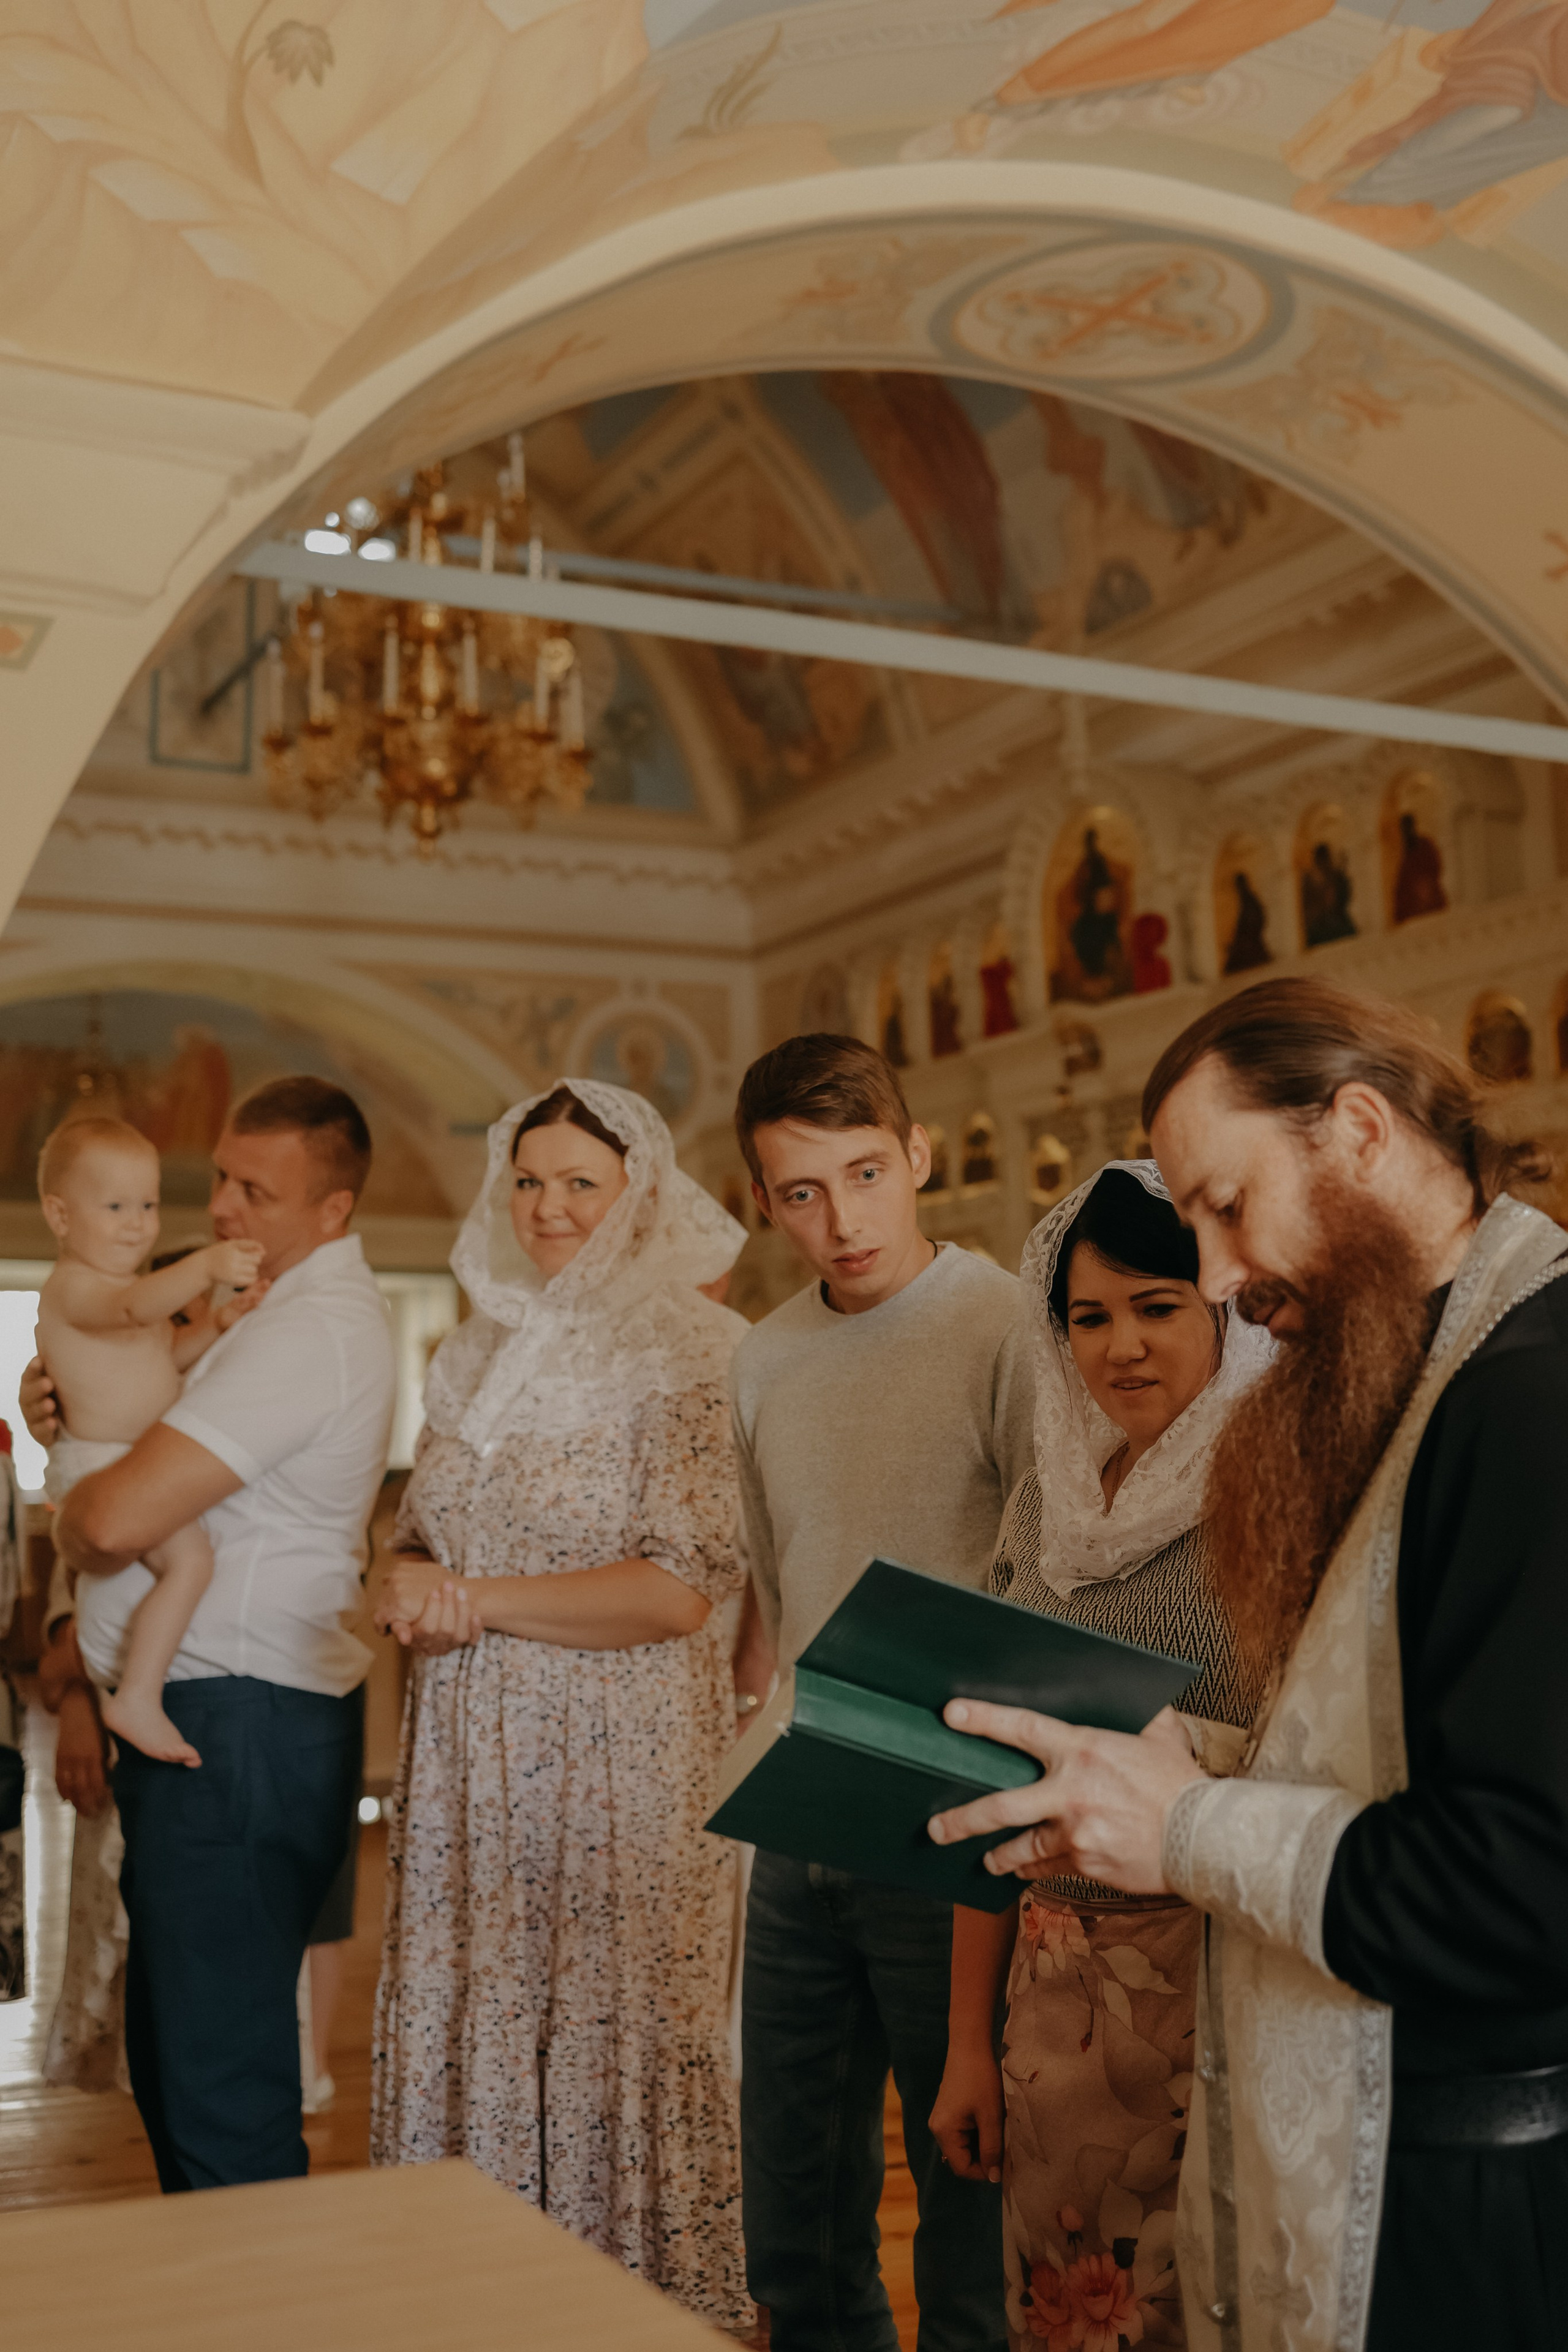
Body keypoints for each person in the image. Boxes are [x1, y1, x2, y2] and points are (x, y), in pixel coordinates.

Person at [928, 977, 1568, 2352]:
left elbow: (1528, 1880)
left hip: (1471, 2183)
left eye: (1223, 1204)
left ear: (1354, 1131)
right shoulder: (1420, 1370)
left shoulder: (1528, 1395)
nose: (1215, 1277)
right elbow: (1390, 1750)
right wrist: (1173, 1760)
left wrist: (1189, 1826)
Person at [369, 1080, 751, 2328]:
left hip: (615, 1756)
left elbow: (682, 1589)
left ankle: (619, 2310)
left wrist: (472, 1602)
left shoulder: (694, 1354)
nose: (546, 1207)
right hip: (466, 1760)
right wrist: (406, 1576)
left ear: (635, 1198)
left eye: (579, 1183)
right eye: (527, 1180)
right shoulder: (472, 1348)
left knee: (605, 2028)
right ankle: (479, 2303)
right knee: (482, 2007)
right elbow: (421, 1534)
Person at [26, 1076, 395, 2193]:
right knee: (188, 2066)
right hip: (223, 1716)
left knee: (220, 2090)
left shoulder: (316, 1331)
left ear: (332, 1211)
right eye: (222, 1178)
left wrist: (80, 1502)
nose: (222, 1207)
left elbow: (112, 1519)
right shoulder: (266, 1308)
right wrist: (76, 1407)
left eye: (256, 1190)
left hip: (239, 1723)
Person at [930, 1164, 1269, 2351]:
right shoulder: (1043, 1508)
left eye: (1156, 1306)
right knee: (1057, 2314)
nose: (1120, 1346)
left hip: (1215, 1977)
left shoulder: (1277, 1497)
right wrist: (968, 2041)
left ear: (1221, 1309)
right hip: (1044, 1992)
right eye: (1088, 1317)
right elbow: (992, 1783)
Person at [729, 1032, 1034, 2352]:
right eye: (800, 1192)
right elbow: (775, 1585)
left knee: (966, 2225)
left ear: (915, 1157)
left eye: (863, 1173)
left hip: (957, 1816)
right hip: (802, 1809)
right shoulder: (758, 1360)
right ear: (762, 1202)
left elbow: (1044, 1578)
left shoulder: (1010, 1325)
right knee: (793, 2220)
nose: (840, 1220)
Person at [35, 1115, 266, 1766]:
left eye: (148, 1204)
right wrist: (208, 1265)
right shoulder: (76, 1286)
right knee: (192, 1562)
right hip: (99, 1466)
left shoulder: (127, 1296)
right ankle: (137, 1695)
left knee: (183, 1566)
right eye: (115, 1207)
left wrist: (223, 1320)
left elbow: (167, 1355)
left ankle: (131, 1685)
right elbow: (137, 1310)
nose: (138, 1223)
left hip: (127, 1463)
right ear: (59, 1215)